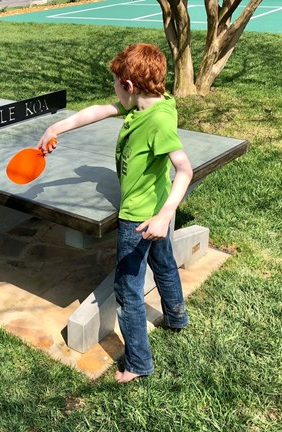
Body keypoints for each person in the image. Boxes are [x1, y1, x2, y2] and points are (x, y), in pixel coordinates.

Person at [37, 43, 193, 384]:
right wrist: (56, 128)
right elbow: (97, 111)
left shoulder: (156, 123)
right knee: (164, 265)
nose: (114, 92)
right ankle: (177, 317)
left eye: (116, 84)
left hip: (140, 218)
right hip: (154, 209)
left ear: (130, 86)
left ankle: (137, 361)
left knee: (127, 290)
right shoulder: (151, 103)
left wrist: (165, 216)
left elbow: (184, 169)